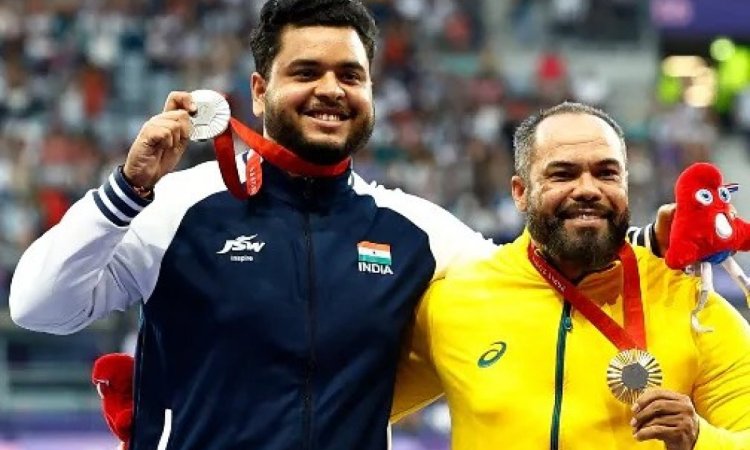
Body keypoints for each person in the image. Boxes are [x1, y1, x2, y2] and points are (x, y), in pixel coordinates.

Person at [9, 0, 663, 448]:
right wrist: (127, 191)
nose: (331, 89)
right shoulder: (177, 207)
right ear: (259, 91)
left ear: (371, 92)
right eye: (306, 72)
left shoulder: (414, 232)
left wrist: (652, 242)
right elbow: (39, 306)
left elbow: (535, 275)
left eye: (351, 74)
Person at [391, 102, 750, 450]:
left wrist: (699, 440)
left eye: (606, 173)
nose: (588, 189)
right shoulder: (453, 302)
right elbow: (366, 411)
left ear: (625, 185)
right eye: (563, 174)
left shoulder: (695, 310)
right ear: (520, 192)